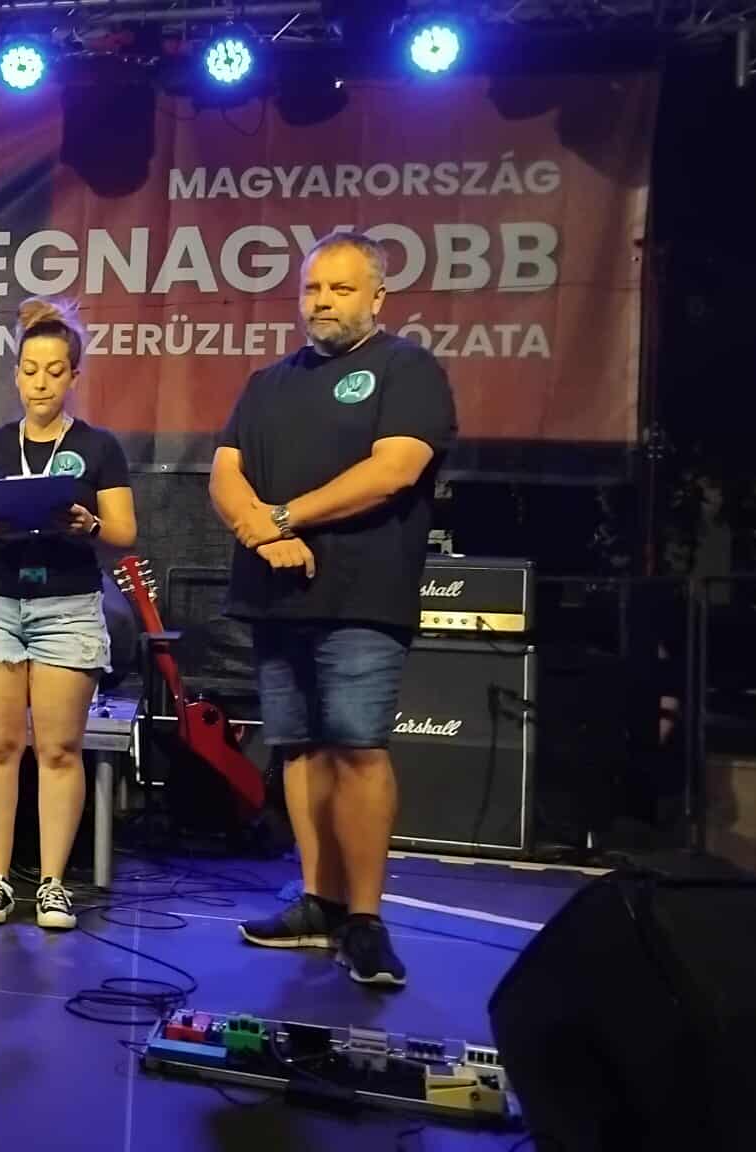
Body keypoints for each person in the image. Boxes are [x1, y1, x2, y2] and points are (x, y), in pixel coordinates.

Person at [210, 231, 456, 988]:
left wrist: (283, 518)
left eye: (341, 288)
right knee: (299, 749)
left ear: (377, 296)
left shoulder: (407, 368)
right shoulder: (267, 382)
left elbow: (394, 471)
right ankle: (319, 901)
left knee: (357, 747)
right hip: (276, 596)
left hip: (361, 595)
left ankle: (366, 920)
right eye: (313, 288)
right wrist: (261, 530)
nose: (322, 301)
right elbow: (225, 474)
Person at [0, 296, 137, 929]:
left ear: (74, 375)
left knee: (58, 748)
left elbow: (125, 533)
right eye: (30, 370)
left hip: (68, 605)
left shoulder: (99, 447)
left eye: (55, 371)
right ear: (16, 374)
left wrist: (89, 524)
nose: (41, 383)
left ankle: (53, 884)